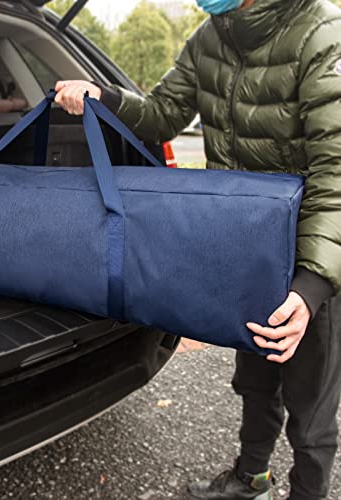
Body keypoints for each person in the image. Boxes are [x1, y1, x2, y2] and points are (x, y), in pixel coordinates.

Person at [54, 0, 341, 499]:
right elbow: (163, 114)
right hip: (247, 250)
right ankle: (251, 479)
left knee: (311, 409)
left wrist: (312, 284)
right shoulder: (211, 36)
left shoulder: (321, 33)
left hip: (309, 256)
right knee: (254, 380)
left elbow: (336, 171)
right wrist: (105, 97)